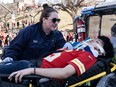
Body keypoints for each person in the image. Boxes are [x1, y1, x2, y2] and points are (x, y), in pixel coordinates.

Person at [8, 36, 114, 83]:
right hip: (29, 64)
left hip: (31, 68)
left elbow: (64, 73)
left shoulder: (88, 57)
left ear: (99, 51)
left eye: (98, 41)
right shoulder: (78, 51)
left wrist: (32, 70)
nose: (93, 40)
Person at [2, 4, 73, 65]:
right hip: (26, 69)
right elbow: (15, 47)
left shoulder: (57, 34)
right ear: (44, 19)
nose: (56, 23)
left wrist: (66, 45)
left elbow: (61, 45)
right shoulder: (29, 31)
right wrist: (10, 58)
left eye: (58, 20)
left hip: (45, 69)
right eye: (54, 20)